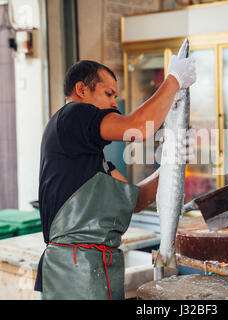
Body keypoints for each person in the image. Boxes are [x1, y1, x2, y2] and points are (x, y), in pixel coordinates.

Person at [34, 55, 196, 300]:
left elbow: (138, 200)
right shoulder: (71, 115)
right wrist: (173, 80)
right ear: (81, 90)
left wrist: (173, 163)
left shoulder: (89, 159)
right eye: (108, 94)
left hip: (96, 268)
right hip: (73, 271)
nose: (114, 102)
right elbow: (139, 127)